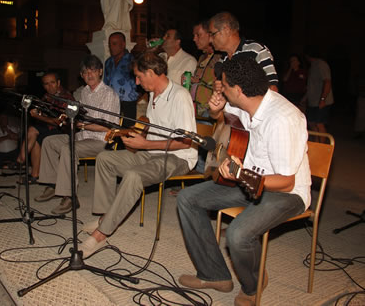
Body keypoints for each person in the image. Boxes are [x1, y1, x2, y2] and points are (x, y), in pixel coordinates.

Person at [177, 56, 311, 306]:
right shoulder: (245, 102)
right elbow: (225, 120)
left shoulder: (283, 119)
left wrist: (239, 173)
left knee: (238, 233)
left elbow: (287, 182)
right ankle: (214, 274)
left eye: (224, 86)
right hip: (247, 180)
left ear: (238, 90)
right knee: (187, 199)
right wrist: (216, 110)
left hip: (287, 192)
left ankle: (252, 286)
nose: (220, 88)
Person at [79, 51, 198, 258]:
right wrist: (133, 135)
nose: (136, 81)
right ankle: (106, 217)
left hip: (179, 157)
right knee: (105, 158)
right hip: (152, 150)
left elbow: (186, 141)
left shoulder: (180, 96)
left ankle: (101, 234)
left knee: (134, 176)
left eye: (139, 76)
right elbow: (151, 128)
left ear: (151, 73)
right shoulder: (153, 94)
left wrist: (145, 143)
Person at [36, 55, 120, 215]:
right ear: (81, 75)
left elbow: (106, 126)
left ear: (100, 72)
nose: (89, 75)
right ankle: (54, 185)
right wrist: (69, 119)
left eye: (93, 71)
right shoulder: (84, 93)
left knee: (69, 149)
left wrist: (83, 125)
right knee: (49, 141)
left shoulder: (109, 94)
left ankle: (70, 197)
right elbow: (78, 117)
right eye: (85, 72)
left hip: (102, 140)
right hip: (83, 136)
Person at [16, 72, 74, 184]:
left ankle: (20, 160)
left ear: (58, 83)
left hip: (64, 132)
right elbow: (44, 116)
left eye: (52, 83)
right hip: (50, 128)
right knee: (35, 138)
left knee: (33, 130)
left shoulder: (66, 97)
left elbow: (59, 122)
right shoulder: (47, 96)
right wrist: (37, 113)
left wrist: (38, 116)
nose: (50, 86)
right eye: (46, 84)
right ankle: (34, 174)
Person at [209, 11, 279, 92]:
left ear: (226, 29)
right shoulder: (222, 60)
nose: (210, 40)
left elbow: (272, 89)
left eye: (212, 34)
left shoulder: (255, 50)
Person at [104, 32, 139, 127]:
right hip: (111, 103)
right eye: (110, 44)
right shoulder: (108, 62)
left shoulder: (133, 60)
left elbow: (140, 82)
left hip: (128, 104)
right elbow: (105, 83)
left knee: (125, 133)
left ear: (123, 44)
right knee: (111, 130)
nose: (111, 47)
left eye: (114, 44)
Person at [191, 20, 223, 118]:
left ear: (210, 35)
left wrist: (200, 83)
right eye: (194, 35)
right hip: (196, 111)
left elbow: (222, 87)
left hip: (209, 113)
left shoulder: (220, 57)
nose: (194, 39)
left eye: (198, 35)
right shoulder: (202, 57)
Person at [304, 47, 334, 135]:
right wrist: (305, 98)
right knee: (311, 122)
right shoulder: (313, 66)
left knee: (319, 123)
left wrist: (323, 99)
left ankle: (323, 146)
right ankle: (317, 143)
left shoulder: (322, 65)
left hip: (322, 101)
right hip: (313, 101)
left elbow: (327, 82)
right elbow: (311, 86)